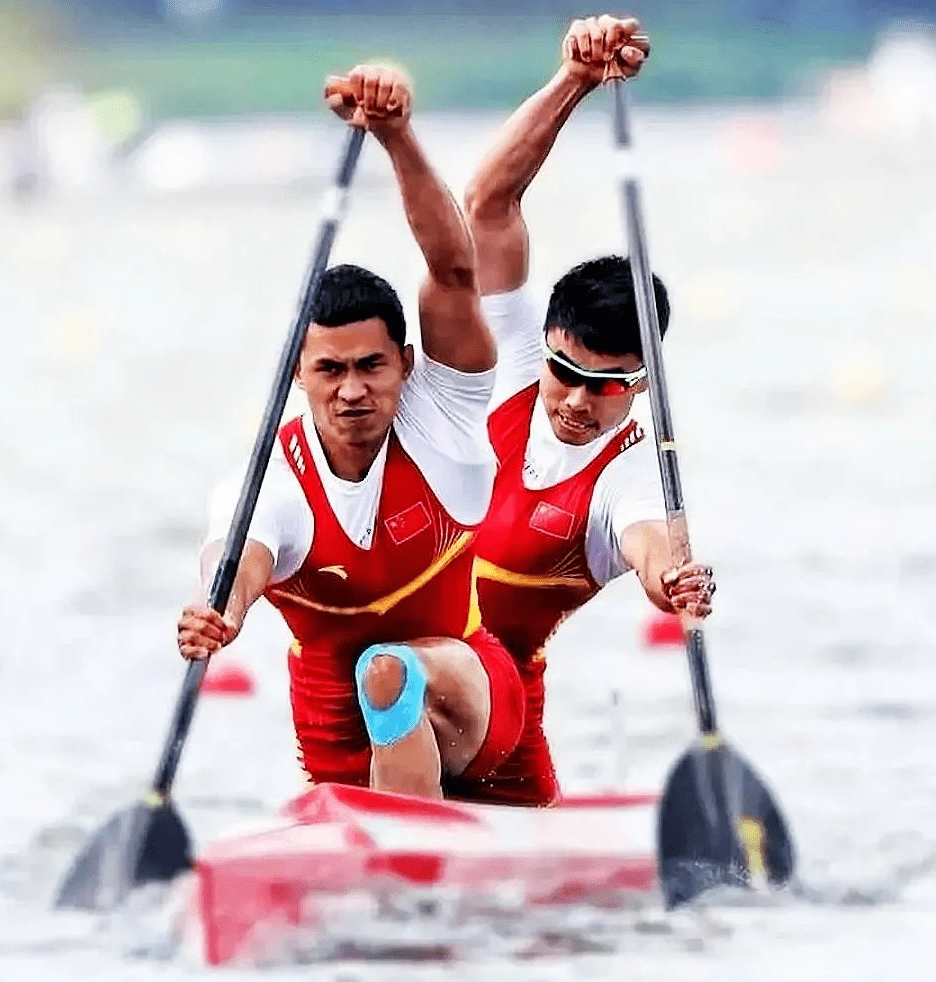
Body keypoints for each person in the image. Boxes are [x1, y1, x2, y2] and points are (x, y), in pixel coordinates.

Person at [176, 65, 526, 802]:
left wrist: (396, 137)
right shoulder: (269, 480)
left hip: (469, 697)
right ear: (298, 374)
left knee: (387, 670)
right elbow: (235, 559)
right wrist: (220, 611)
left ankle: (420, 866)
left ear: (405, 362)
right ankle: (399, 850)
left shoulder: (444, 410)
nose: (354, 389)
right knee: (372, 681)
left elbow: (452, 269)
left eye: (372, 365)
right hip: (336, 733)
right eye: (330, 370)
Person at [461, 15, 717, 805]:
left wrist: (674, 580)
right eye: (563, 369)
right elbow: (489, 202)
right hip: (394, 694)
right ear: (544, 342)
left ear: (640, 387)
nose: (574, 400)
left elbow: (650, 549)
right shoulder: (509, 362)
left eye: (606, 385)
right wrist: (573, 79)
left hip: (497, 724)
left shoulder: (634, 472)